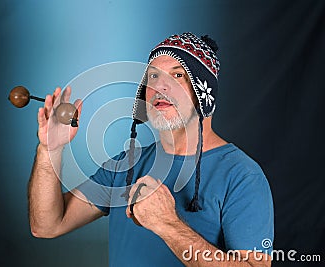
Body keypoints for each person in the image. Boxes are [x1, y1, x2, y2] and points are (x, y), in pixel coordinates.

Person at [28, 32, 274, 267]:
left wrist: (167, 224)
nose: (161, 86)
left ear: (204, 94)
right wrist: (50, 149)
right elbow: (47, 225)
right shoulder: (125, 165)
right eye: (153, 76)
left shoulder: (242, 176)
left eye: (178, 76)